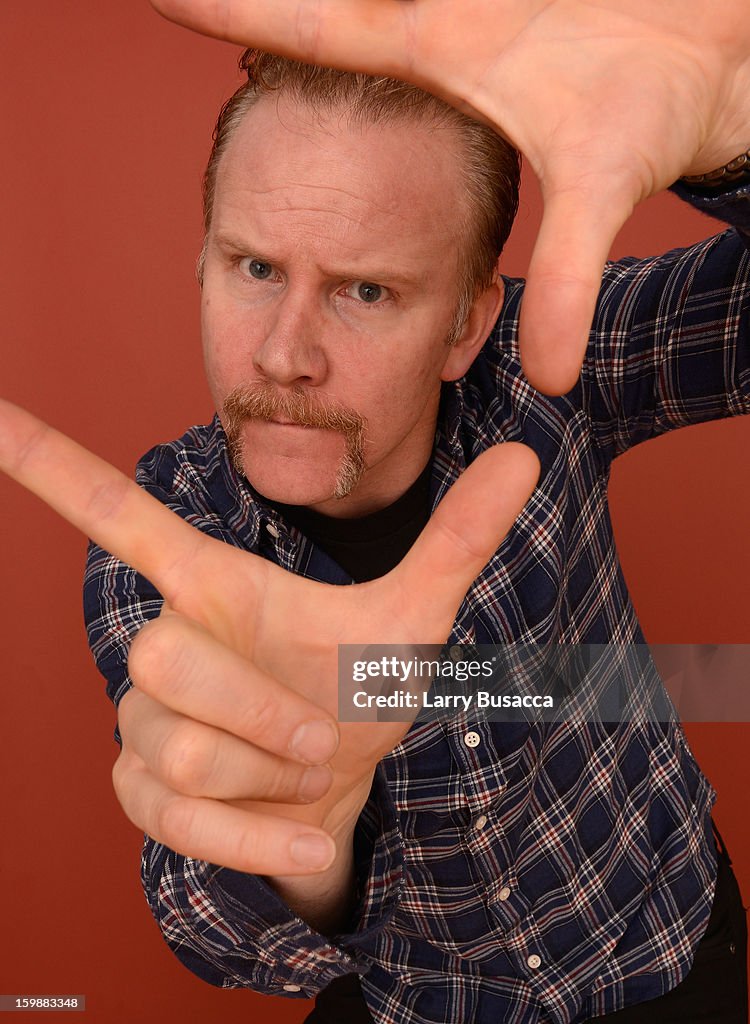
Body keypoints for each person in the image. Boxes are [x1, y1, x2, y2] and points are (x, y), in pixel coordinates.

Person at [1, 3, 749, 1023]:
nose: (283, 355)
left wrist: (735, 141)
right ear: (203, 260)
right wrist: (308, 838)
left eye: (365, 291)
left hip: (664, 947)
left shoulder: (543, 364)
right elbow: (212, 924)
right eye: (255, 268)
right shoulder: (167, 539)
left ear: (466, 324)